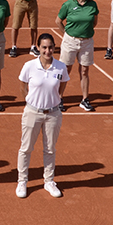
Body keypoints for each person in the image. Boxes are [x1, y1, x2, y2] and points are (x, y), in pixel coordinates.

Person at [17, 33, 69, 199]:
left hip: (53, 114)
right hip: (32, 112)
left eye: (51, 47)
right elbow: (23, 85)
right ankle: (22, 181)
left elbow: (62, 84)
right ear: (38, 48)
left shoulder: (61, 66)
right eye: (44, 47)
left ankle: (48, 181)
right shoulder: (29, 66)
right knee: (26, 148)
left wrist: (56, 99)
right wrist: (30, 99)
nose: (48, 51)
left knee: (50, 149)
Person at [56, 0, 100, 112]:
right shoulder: (68, 4)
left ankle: (85, 99)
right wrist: (67, 34)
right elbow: (58, 21)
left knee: (85, 71)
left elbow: (94, 22)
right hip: (70, 41)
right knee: (66, 69)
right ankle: (59, 98)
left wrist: (85, 32)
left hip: (86, 42)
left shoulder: (93, 5)